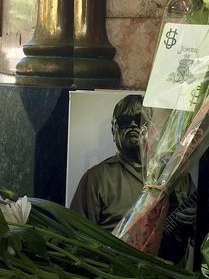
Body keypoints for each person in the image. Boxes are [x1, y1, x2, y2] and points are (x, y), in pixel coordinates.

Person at [70, 94, 196, 264]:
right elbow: (75, 239)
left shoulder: (176, 174)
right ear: (113, 131)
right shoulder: (96, 178)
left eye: (139, 119)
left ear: (153, 127)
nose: (132, 125)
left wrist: (193, 223)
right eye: (123, 121)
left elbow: (201, 238)